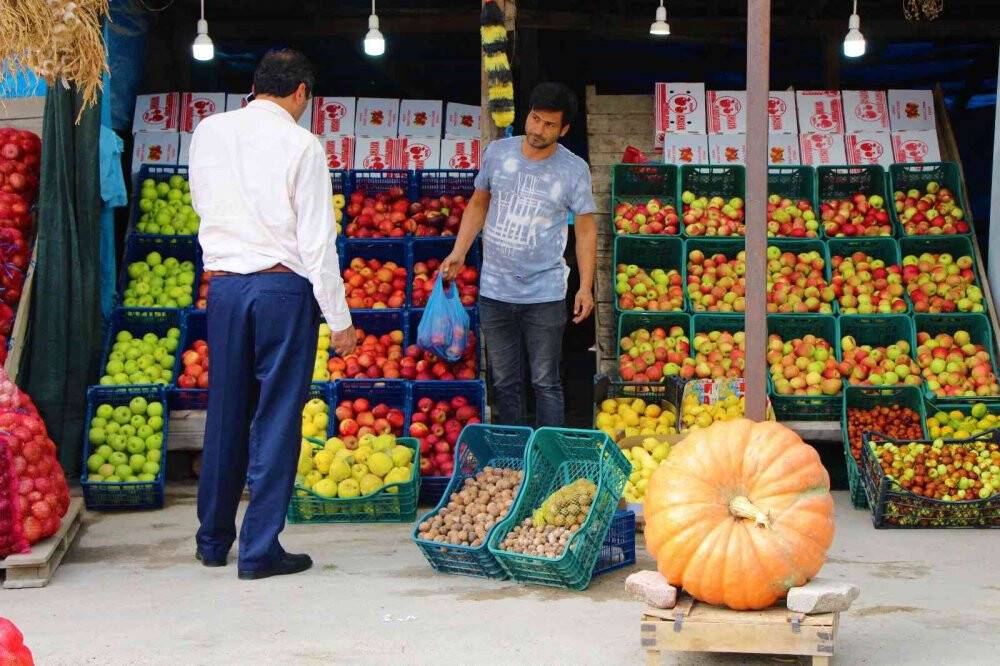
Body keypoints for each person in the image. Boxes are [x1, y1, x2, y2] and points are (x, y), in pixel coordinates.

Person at [188, 49, 355, 580]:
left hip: (226, 289)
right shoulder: (303, 144)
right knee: (278, 418)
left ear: (257, 85)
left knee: (226, 413)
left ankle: (213, 541)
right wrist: (341, 318)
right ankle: (259, 550)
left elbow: (201, 204)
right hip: (283, 289)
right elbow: (316, 241)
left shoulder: (210, 132)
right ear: (301, 92)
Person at [440, 82, 597, 427]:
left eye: (549, 125)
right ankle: (513, 458)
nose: (538, 130)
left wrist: (585, 286)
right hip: (495, 290)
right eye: (535, 119)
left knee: (545, 381)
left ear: (564, 129)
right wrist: (459, 251)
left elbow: (585, 229)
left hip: (545, 293)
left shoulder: (573, 169)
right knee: (505, 381)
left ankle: (548, 455)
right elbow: (479, 203)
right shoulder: (498, 153)